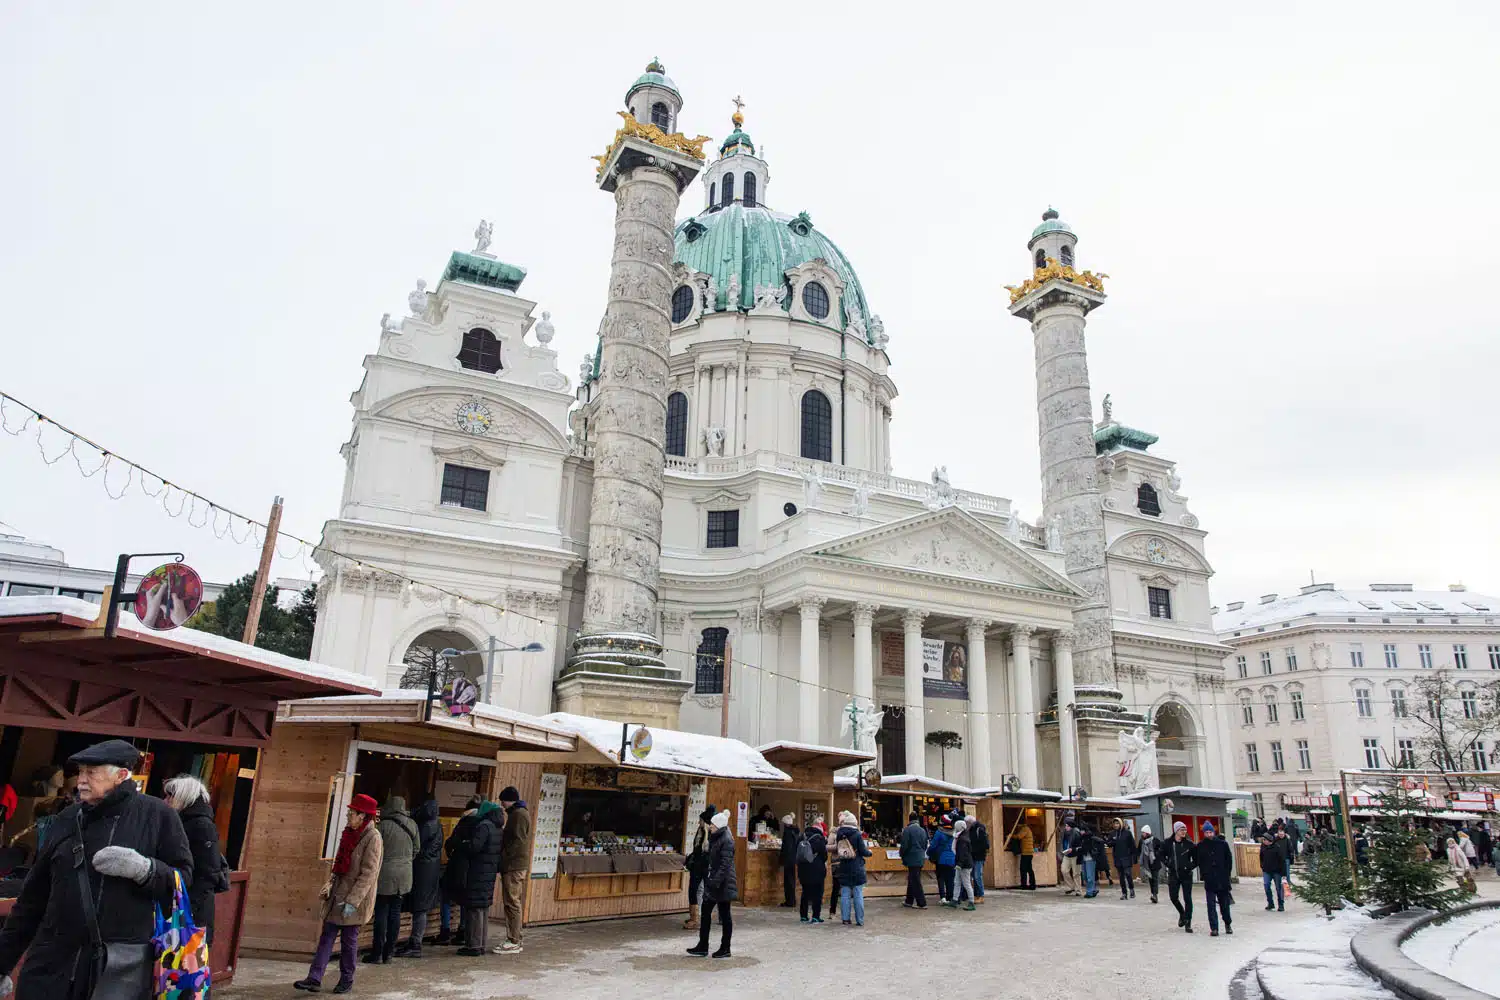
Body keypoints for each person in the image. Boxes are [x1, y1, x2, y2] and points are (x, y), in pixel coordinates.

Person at [0, 740, 193, 1000]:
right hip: (53, 963)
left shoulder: (158, 816)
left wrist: (146, 870)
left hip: (120, 969)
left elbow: (184, 879)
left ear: (122, 775)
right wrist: (3, 964)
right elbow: (32, 898)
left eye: (91, 773)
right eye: (80, 772)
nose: (81, 780)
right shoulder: (67, 818)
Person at [296, 792, 382, 993]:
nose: (348, 816)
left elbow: (369, 873)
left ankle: (347, 979)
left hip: (354, 899)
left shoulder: (373, 837)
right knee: (326, 937)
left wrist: (353, 901)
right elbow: (340, 864)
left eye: (351, 813)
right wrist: (331, 883)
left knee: (348, 942)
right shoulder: (349, 833)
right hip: (338, 894)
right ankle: (314, 978)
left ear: (362, 816)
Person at [164, 774, 227, 944]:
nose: (165, 800)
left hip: (191, 909)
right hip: (182, 905)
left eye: (170, 796)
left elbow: (208, 872)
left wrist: (189, 906)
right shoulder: (182, 822)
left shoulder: (201, 825)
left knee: (188, 963)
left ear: (183, 797)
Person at [367, 796, 417, 964]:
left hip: (385, 874)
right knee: (395, 913)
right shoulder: (412, 824)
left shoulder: (383, 826)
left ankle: (377, 953)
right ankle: (389, 952)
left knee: (381, 912)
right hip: (404, 875)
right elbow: (417, 849)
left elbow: (374, 850)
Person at [456, 800, 504, 956]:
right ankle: (481, 943)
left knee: (475, 908)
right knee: (483, 908)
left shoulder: (484, 826)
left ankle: (473, 946)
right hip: (489, 872)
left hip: (478, 871)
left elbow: (474, 847)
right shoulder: (497, 828)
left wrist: (463, 844)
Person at [397, 799, 442, 958]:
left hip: (421, 870)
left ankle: (415, 944)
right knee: (421, 908)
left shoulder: (425, 826)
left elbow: (416, 846)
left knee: (419, 908)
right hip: (430, 870)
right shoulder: (437, 824)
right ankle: (414, 942)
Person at [687, 811, 736, 958]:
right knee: (707, 913)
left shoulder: (726, 840)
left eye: (713, 825)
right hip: (715, 882)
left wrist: (714, 882)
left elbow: (725, 866)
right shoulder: (717, 837)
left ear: (719, 826)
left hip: (722, 884)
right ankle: (703, 946)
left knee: (725, 915)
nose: (710, 827)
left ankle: (725, 948)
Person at [437, 795, 482, 946]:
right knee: (465, 900)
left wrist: (452, 850)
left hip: (457, 866)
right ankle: (462, 930)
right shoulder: (483, 823)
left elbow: (451, 842)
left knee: (446, 897)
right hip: (473, 869)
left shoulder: (465, 822)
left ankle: (445, 931)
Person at [494, 786, 532, 955]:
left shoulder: (518, 815)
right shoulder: (519, 813)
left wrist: (504, 857)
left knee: (512, 902)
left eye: (503, 800)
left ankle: (514, 940)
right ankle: (514, 938)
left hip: (514, 866)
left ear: (510, 799)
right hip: (516, 865)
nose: (502, 804)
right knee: (512, 902)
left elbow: (516, 841)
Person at [832, 810, 871, 926]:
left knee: (845, 894)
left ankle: (845, 919)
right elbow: (863, 851)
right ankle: (859, 920)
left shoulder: (839, 833)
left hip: (843, 866)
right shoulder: (857, 834)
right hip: (856, 867)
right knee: (858, 893)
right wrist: (870, 853)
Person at [1196, 822, 1234, 937]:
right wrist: (1204, 873)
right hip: (1210, 880)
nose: (1209, 834)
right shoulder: (1201, 845)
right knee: (1211, 906)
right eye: (1206, 832)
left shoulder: (1222, 844)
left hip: (1222, 879)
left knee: (1224, 905)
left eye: (1210, 832)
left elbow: (1229, 860)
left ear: (1214, 832)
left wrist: (1227, 873)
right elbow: (1199, 861)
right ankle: (1214, 928)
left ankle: (1228, 923)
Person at [684, 805, 715, 930]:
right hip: (699, 866)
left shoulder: (709, 835)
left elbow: (706, 851)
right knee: (699, 890)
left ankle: (696, 918)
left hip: (702, 867)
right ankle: (697, 916)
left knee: (696, 890)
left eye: (701, 820)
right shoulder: (701, 831)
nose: (699, 822)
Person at [1162, 821, 1197, 933]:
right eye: (1182, 830)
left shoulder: (1189, 844)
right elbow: (1161, 855)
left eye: (1185, 830)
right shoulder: (1168, 842)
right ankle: (1182, 913)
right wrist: (1168, 863)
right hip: (1173, 874)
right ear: (1176, 831)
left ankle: (1188, 922)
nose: (1184, 832)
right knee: (1173, 897)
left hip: (1186, 875)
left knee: (1188, 899)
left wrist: (1189, 866)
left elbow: (1196, 859)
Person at [798, 818, 828, 923]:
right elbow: (824, 856)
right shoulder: (820, 838)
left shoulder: (802, 836)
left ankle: (803, 916)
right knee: (817, 894)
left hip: (803, 869)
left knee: (805, 893)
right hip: (817, 870)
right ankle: (815, 916)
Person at [899, 811, 929, 908]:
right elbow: (925, 844)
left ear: (909, 819)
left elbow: (904, 845)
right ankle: (909, 900)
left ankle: (922, 902)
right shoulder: (922, 830)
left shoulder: (907, 830)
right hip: (920, 857)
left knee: (915, 880)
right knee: (913, 879)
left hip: (911, 858)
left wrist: (902, 855)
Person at [928, 815, 956, 904]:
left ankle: (943, 897)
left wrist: (929, 853)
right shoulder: (954, 833)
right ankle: (950, 897)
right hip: (952, 858)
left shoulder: (939, 832)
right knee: (950, 879)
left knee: (941, 878)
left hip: (941, 859)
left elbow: (933, 846)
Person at [1259, 828, 1289, 912]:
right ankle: (1270, 903)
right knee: (1266, 886)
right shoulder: (1263, 847)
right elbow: (1261, 857)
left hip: (1277, 871)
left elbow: (1282, 861)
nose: (1263, 841)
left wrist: (1284, 874)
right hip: (1266, 871)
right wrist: (1262, 866)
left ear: (1269, 840)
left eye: (1264, 839)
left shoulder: (1277, 848)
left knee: (1279, 888)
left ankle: (1281, 905)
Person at [951, 819, 976, 911]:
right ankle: (954, 899)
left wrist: (959, 864)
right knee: (957, 881)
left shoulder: (962, 839)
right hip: (964, 863)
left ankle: (971, 902)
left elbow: (963, 853)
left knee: (966, 883)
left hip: (964, 865)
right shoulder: (964, 836)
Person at [778, 813, 801, 908]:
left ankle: (789, 901)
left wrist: (782, 859)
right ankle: (792, 900)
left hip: (788, 859)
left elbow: (786, 848)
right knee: (791, 880)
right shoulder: (795, 831)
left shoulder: (787, 832)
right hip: (793, 858)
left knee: (788, 880)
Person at [1111, 819, 1137, 900]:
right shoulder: (1112, 833)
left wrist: (1134, 857)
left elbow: (1132, 845)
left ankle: (1131, 889)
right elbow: (1108, 843)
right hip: (1117, 857)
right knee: (1121, 877)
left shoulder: (1127, 833)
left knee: (1128, 874)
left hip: (1126, 857)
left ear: (1121, 824)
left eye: (1117, 823)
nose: (1116, 825)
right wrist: (1112, 842)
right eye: (1114, 823)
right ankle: (1124, 893)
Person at [1137, 825, 1163, 903]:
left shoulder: (1155, 840)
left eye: (1144, 832)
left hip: (1155, 863)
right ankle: (1153, 894)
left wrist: (1155, 854)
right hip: (1147, 864)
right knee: (1151, 879)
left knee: (1155, 879)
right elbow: (1138, 850)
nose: (1142, 834)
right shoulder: (1141, 841)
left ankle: (1155, 895)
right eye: (1142, 833)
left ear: (1148, 833)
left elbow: (1161, 849)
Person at [968, 813, 989, 903]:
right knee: (974, 876)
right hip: (974, 856)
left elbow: (985, 844)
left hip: (979, 856)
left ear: (970, 823)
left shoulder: (979, 829)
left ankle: (981, 895)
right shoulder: (972, 829)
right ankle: (977, 895)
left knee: (977, 876)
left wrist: (973, 849)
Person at [1058, 819, 1080, 895]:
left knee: (1076, 873)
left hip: (1075, 855)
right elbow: (1062, 843)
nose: (1065, 827)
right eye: (1065, 825)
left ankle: (1078, 890)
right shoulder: (1064, 833)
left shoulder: (1076, 833)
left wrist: (1073, 849)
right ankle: (1071, 886)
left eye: (1067, 826)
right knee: (1064, 870)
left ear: (1071, 827)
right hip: (1066, 854)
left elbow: (1080, 846)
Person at [1016, 820, 1037, 890]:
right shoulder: (1027, 829)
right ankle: (1032, 885)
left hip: (1026, 853)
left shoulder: (1025, 829)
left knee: (1023, 869)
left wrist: (1010, 836)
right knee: (1029, 869)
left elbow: (1019, 836)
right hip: (1029, 852)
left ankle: (1024, 885)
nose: (1017, 826)